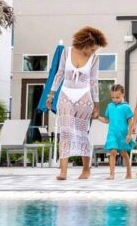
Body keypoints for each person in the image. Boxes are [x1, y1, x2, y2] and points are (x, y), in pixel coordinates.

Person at [46, 26, 108, 181]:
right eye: (92, 49)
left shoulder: (94, 59)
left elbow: (94, 82)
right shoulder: (66, 52)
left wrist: (97, 104)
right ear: (85, 43)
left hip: (84, 96)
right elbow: (59, 74)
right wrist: (51, 94)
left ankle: (86, 169)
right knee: (65, 131)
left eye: (95, 50)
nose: (93, 52)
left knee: (82, 133)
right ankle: (63, 171)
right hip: (65, 94)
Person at [98, 84, 135, 180]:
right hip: (112, 133)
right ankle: (112, 174)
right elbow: (107, 120)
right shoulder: (109, 106)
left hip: (122, 134)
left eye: (117, 97)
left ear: (123, 94)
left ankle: (129, 172)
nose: (114, 99)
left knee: (123, 153)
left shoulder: (126, 107)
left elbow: (131, 122)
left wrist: (129, 134)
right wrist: (97, 117)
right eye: (113, 97)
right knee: (113, 151)